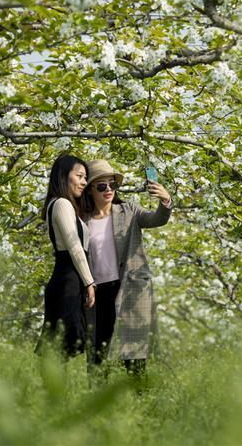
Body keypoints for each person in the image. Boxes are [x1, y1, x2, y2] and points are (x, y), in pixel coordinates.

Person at [82, 159, 172, 378]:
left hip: (130, 288)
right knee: (98, 354)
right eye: (102, 186)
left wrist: (166, 201)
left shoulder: (128, 210)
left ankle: (138, 402)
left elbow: (156, 219)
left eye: (112, 185)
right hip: (97, 292)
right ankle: (97, 403)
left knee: (134, 356)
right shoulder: (81, 219)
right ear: (90, 190)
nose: (108, 190)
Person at [36, 154, 96, 357]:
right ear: (63, 175)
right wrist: (90, 283)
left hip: (70, 282)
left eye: (86, 178)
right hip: (66, 283)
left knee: (62, 347)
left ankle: (53, 388)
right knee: (62, 347)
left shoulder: (68, 206)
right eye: (79, 176)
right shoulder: (61, 203)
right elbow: (74, 246)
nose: (84, 182)